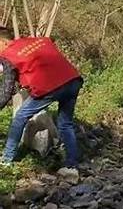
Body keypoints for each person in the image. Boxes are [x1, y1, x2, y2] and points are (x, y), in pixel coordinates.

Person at [0, 27, 83, 169]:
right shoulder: (36, 41)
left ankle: (7, 159)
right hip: (73, 81)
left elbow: (7, 89)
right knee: (65, 123)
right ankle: (72, 162)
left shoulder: (8, 55)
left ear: (2, 42)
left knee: (20, 117)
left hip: (49, 87)